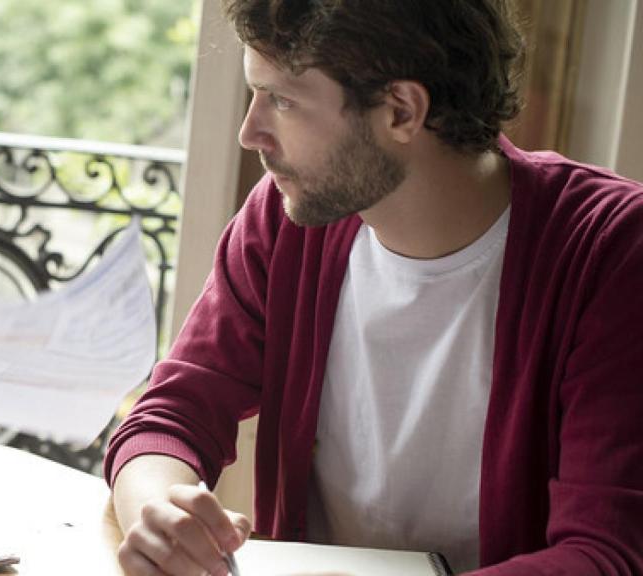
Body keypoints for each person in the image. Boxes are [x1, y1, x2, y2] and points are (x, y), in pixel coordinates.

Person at [105, 0, 643, 574]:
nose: (250, 133)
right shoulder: (285, 219)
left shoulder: (611, 250)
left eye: (282, 101)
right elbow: (172, 412)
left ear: (401, 111)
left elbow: (604, 555)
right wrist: (158, 511)